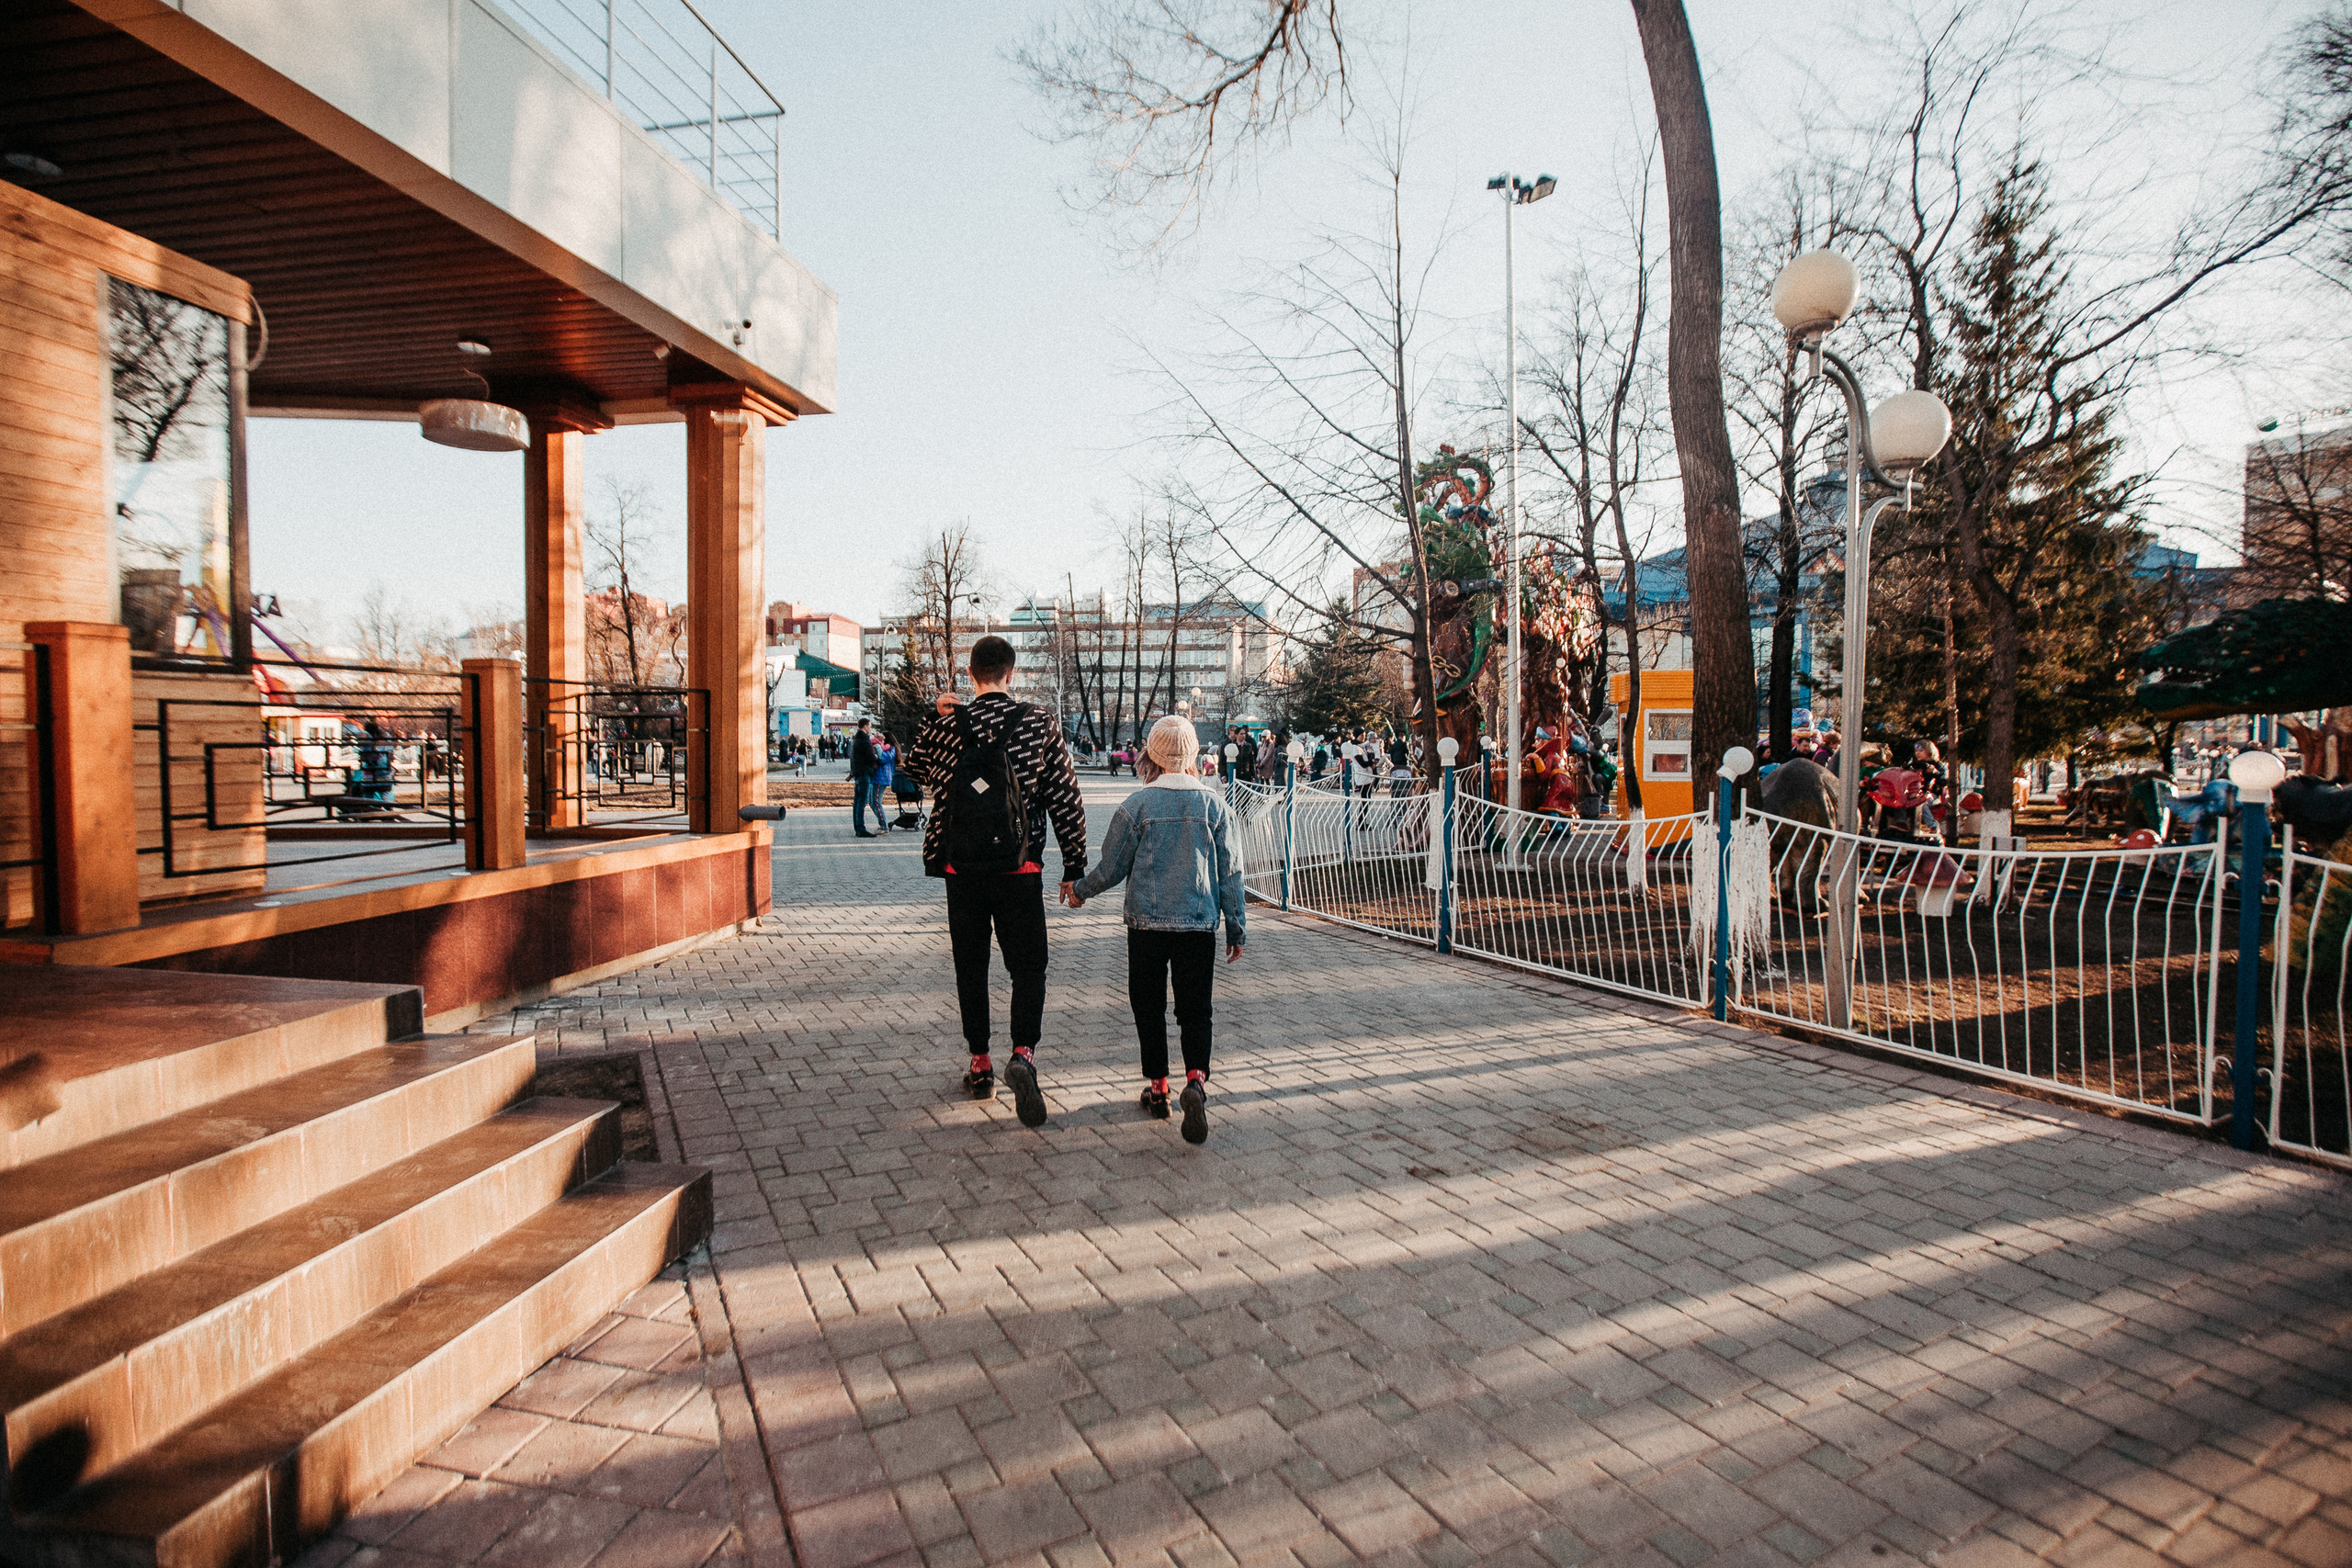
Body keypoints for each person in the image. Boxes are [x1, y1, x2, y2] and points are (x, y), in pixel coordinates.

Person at [910, 635, 1089, 1126]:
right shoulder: (1037, 723)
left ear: (971, 676)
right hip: (1019, 867)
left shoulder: (948, 726)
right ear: (1012, 674)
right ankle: (1023, 1054)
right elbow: (1065, 798)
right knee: (1028, 967)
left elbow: (915, 770)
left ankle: (980, 1064)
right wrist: (1074, 867)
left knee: (971, 965)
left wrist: (934, 714)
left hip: (960, 868)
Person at [1066, 715, 1245, 1145]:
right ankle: (1197, 1081)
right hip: (1199, 925)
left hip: (1145, 925)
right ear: (1194, 755)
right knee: (1196, 1008)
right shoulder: (1215, 807)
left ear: (1152, 755)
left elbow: (1111, 868)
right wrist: (1236, 927)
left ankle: (1160, 1087)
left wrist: (1080, 891)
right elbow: (1231, 874)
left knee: (1148, 1006)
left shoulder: (1136, 806)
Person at [849, 718, 887, 838]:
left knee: (857, 802)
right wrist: (876, 758)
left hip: (857, 773)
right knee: (861, 801)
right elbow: (870, 757)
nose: (870, 729)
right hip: (864, 773)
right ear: (865, 726)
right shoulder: (864, 740)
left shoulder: (855, 740)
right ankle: (861, 828)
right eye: (869, 726)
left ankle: (857, 826)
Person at [871, 732, 898, 833]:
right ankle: (882, 823)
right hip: (878, 777)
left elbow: (883, 759)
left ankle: (884, 826)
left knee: (876, 802)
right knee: (873, 802)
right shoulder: (886, 748)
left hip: (881, 777)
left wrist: (878, 748)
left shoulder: (890, 749)